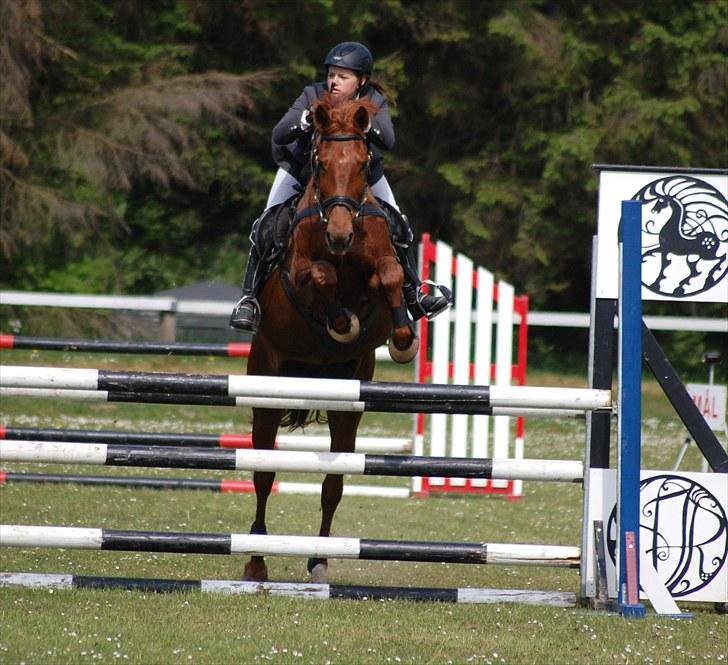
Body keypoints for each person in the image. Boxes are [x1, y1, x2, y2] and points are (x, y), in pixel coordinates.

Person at [230, 41, 451, 332]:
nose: (334, 81)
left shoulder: (374, 99)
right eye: (332, 74)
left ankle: (414, 294)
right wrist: (307, 119)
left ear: (362, 80)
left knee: (399, 224)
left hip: (360, 177)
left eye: (343, 76)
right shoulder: (313, 94)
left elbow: (388, 139)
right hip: (302, 171)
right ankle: (249, 299)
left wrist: (364, 123)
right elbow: (280, 132)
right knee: (267, 224)